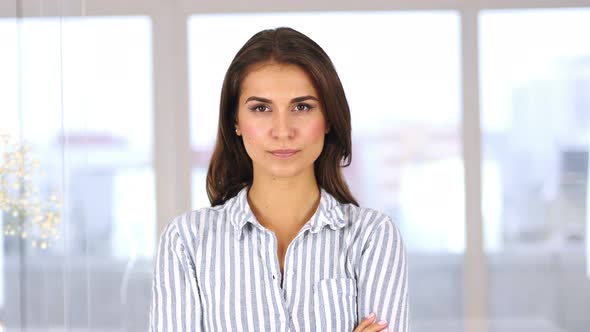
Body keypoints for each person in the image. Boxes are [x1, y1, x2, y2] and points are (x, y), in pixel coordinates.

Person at [149, 27, 409, 332]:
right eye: (261, 108)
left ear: (328, 118)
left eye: (302, 107)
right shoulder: (186, 242)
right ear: (235, 121)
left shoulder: (373, 237)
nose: (282, 130)